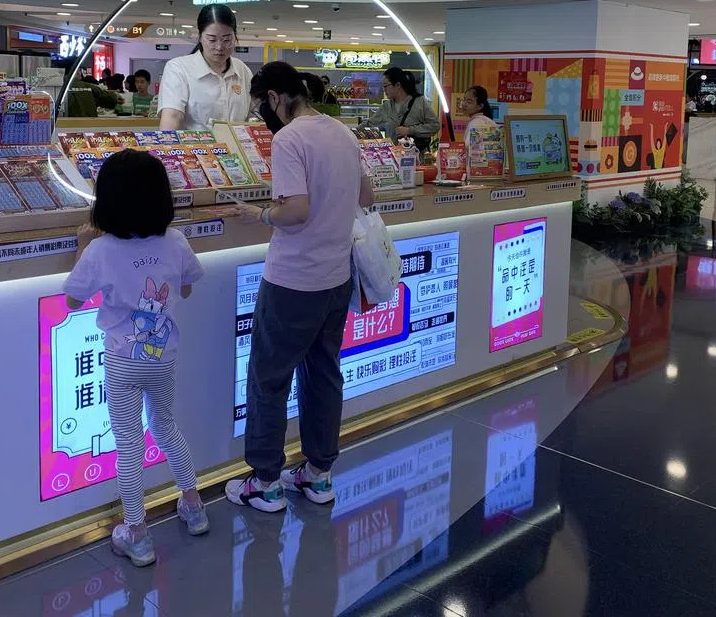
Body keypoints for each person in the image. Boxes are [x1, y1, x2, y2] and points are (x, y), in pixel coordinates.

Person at [225, 62, 373, 513]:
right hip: (336, 278)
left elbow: (296, 211)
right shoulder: (342, 132)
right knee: (323, 373)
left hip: (292, 280)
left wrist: (260, 214)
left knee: (269, 379)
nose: (264, 117)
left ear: (274, 97)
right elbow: (367, 195)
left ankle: (266, 482)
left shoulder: (289, 139)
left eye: (261, 107)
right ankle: (318, 474)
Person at [62, 149, 210, 567]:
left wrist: (82, 246)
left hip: (122, 361)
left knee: (128, 443)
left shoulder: (100, 250)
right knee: (166, 427)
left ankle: (137, 533)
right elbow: (186, 289)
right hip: (163, 357)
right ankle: (194, 506)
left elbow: (73, 300)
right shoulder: (175, 241)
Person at [158, 4, 252, 131]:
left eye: (226, 40)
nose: (219, 47)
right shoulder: (178, 69)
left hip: (236, 144)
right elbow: (172, 117)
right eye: (212, 40)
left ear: (235, 37)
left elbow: (253, 116)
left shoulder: (242, 70)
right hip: (196, 144)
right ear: (200, 37)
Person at [368, 67, 440, 151]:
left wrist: (410, 130)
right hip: (392, 156)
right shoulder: (386, 106)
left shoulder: (419, 102)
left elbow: (435, 126)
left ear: (398, 85)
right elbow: (369, 124)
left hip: (416, 156)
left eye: (386, 86)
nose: (384, 90)